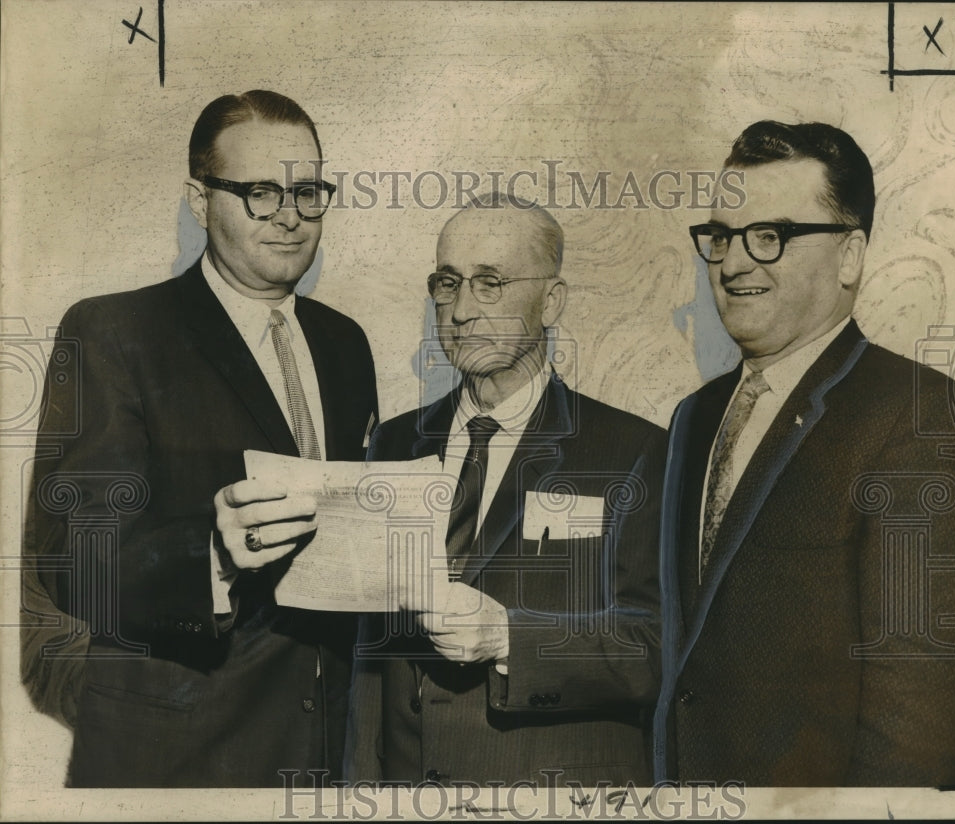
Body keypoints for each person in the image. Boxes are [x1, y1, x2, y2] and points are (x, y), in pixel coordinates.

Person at [25, 89, 378, 787]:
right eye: (260, 192)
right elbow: (74, 562)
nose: (289, 216)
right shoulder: (113, 333)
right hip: (174, 762)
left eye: (309, 192)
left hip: (325, 758)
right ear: (198, 199)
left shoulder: (345, 345)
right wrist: (212, 554)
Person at [655, 121, 955, 786]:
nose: (735, 262)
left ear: (850, 256)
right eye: (722, 237)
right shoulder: (694, 419)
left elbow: (915, 716)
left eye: (770, 236)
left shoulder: (915, 414)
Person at [344, 193, 668, 787]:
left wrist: (507, 638)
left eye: (490, 283)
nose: (462, 309)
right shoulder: (392, 446)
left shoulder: (635, 451)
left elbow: (657, 645)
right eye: (448, 282)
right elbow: (371, 659)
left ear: (551, 301)